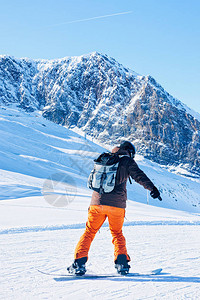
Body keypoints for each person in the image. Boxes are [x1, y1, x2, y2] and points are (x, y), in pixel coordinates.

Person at [67, 141, 161, 276]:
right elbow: (139, 176)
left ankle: (79, 264)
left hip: (97, 203)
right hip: (117, 205)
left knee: (89, 232)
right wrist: (153, 189)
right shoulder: (127, 161)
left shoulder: (104, 158)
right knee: (117, 233)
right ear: (129, 152)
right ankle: (122, 264)